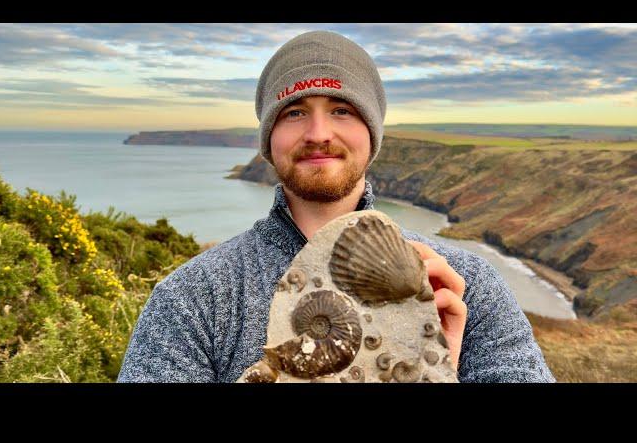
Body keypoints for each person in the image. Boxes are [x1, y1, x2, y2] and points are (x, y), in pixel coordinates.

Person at [117, 30, 555, 383]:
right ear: (269, 139)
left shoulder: (463, 288)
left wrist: (438, 370)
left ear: (372, 132)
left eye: (342, 109)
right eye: (294, 112)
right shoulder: (193, 298)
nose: (318, 132)